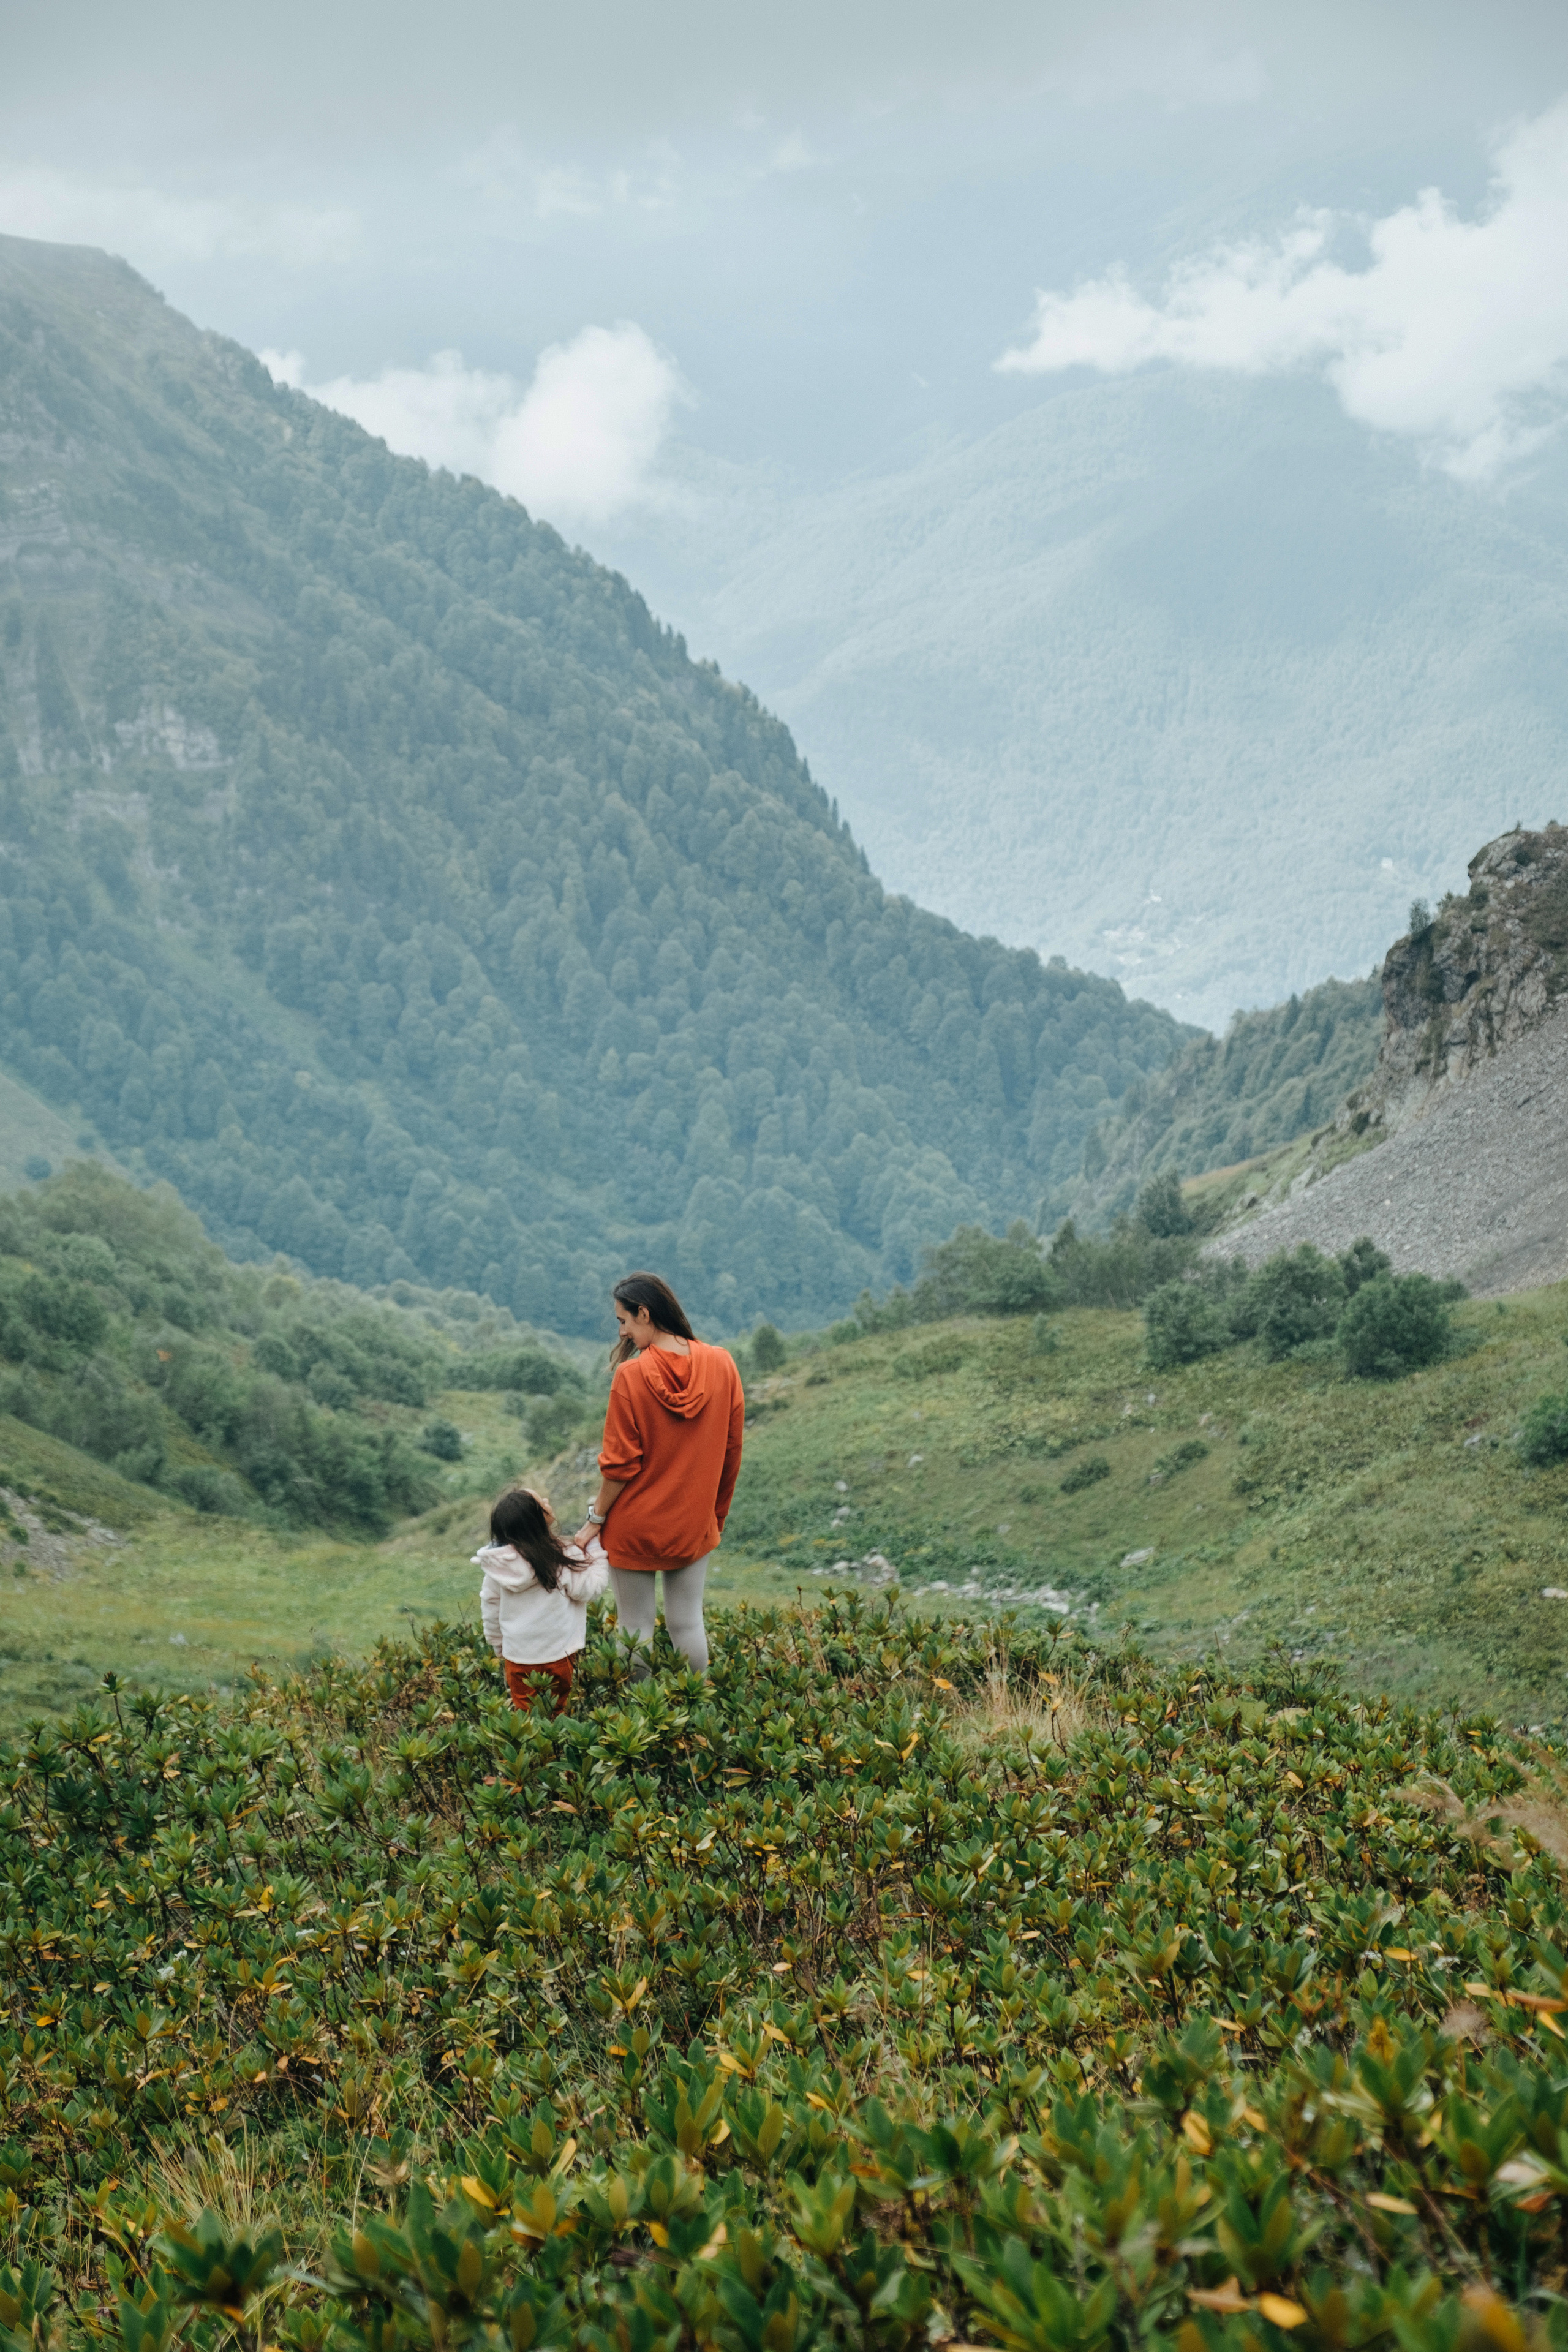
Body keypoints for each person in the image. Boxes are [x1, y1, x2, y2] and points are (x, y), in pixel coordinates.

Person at [572, 1272, 744, 1677]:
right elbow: (731, 1450)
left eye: (624, 1321)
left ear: (645, 1314)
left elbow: (619, 1466)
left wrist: (593, 1522)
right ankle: (696, 1712)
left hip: (634, 1525)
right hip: (692, 1522)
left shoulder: (630, 1377)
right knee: (688, 1622)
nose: (623, 1332)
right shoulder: (722, 1364)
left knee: (634, 1626)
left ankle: (640, 1720)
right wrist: (713, 1515)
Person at [475, 1483, 608, 1713]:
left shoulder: (497, 1567)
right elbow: (590, 1589)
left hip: (517, 1657)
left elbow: (491, 1607)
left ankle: (532, 1749)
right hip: (559, 1655)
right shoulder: (561, 1557)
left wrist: (498, 1644)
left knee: (525, 1714)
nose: (547, 1500)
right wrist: (596, 1549)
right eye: (542, 1502)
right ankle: (554, 1747)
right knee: (556, 1711)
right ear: (538, 1520)